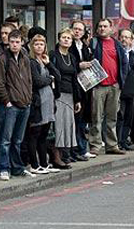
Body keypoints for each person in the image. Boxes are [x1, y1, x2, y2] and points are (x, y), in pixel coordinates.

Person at [0, 29, 34, 181]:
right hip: (10, 105)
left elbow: (29, 80)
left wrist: (29, 98)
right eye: (12, 42)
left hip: (24, 104)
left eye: (17, 42)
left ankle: (17, 167)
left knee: (17, 140)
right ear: (8, 43)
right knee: (5, 139)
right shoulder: (3, 59)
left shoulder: (25, 58)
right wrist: (7, 101)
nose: (15, 45)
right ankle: (4, 168)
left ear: (22, 42)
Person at [89, 19, 128, 155]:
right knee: (96, 117)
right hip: (98, 86)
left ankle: (112, 145)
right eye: (100, 26)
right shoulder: (93, 43)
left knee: (112, 117)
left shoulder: (117, 44)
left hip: (114, 85)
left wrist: (120, 82)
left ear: (111, 29)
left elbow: (124, 63)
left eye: (105, 26)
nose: (102, 28)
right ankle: (95, 145)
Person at [28, 34, 61, 174]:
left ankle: (44, 163)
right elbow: (37, 81)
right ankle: (34, 165)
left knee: (44, 136)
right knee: (34, 135)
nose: (39, 47)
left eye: (42, 44)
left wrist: (49, 65)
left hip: (48, 103)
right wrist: (50, 79)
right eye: (36, 44)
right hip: (37, 103)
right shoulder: (31, 62)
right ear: (32, 46)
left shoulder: (43, 61)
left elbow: (58, 76)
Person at [49, 28, 81, 165]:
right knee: (59, 125)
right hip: (58, 94)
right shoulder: (53, 55)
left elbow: (75, 79)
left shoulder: (72, 57)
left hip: (70, 94)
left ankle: (66, 153)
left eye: (69, 38)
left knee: (69, 125)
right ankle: (57, 156)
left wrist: (77, 99)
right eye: (64, 37)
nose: (66, 40)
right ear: (59, 39)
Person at [69, 20, 94, 160]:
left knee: (84, 120)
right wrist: (80, 65)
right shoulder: (69, 45)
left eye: (80, 29)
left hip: (86, 87)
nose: (77, 31)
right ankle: (76, 149)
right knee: (76, 120)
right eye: (75, 29)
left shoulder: (85, 46)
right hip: (74, 87)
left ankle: (83, 148)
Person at [117, 29, 134, 151]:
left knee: (129, 117)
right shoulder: (117, 52)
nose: (124, 39)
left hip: (132, 90)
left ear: (131, 40)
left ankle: (124, 140)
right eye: (122, 37)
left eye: (127, 37)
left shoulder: (133, 54)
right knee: (120, 116)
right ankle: (118, 141)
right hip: (120, 90)